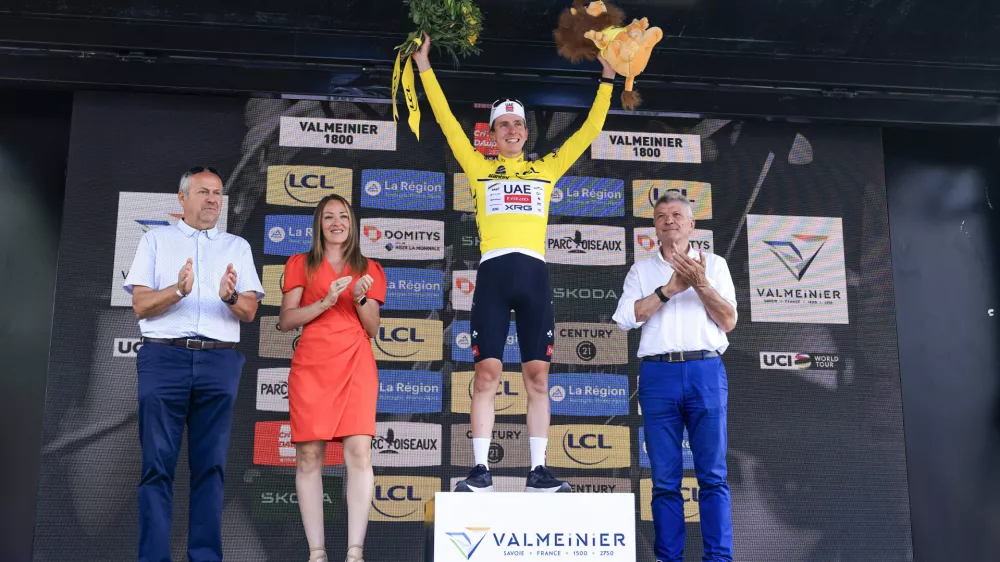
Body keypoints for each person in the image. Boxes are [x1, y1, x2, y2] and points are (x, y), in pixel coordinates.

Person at [412, 34, 617, 493]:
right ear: (492, 132)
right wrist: (424, 65)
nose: (510, 131)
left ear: (526, 132)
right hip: (493, 274)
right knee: (486, 374)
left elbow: (588, 131)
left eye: (517, 125)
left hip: (534, 276)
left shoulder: (545, 169)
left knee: (537, 377)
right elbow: (444, 119)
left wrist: (607, 79)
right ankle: (480, 471)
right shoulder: (479, 167)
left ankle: (538, 471)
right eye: (502, 124)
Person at [124, 166, 265, 562]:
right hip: (164, 357)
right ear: (182, 198)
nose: (213, 199)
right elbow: (141, 305)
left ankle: (204, 557)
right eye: (203, 192)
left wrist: (229, 297)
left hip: (218, 360)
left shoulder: (237, 246)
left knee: (211, 468)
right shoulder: (156, 240)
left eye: (217, 193)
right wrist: (178, 290)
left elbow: (249, 311)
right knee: (157, 466)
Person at [612, 191, 738, 562]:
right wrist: (669, 290)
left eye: (677, 214)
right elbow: (626, 319)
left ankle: (719, 559)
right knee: (664, 479)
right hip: (658, 374)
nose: (669, 220)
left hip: (705, 370)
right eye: (662, 215)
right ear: (654, 226)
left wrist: (700, 282)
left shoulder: (715, 265)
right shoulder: (641, 270)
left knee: (712, 475)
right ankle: (669, 559)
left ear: (692, 224)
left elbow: (728, 320)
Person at [277, 194, 386, 562]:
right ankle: (317, 553)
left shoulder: (369, 267)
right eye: (328, 217)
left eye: (343, 216)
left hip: (356, 361)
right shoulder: (300, 263)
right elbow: (286, 320)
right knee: (309, 456)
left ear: (352, 224)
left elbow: (373, 328)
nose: (337, 223)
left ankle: (355, 553)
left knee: (359, 452)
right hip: (312, 364)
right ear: (318, 225)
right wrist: (324, 302)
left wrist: (358, 298)